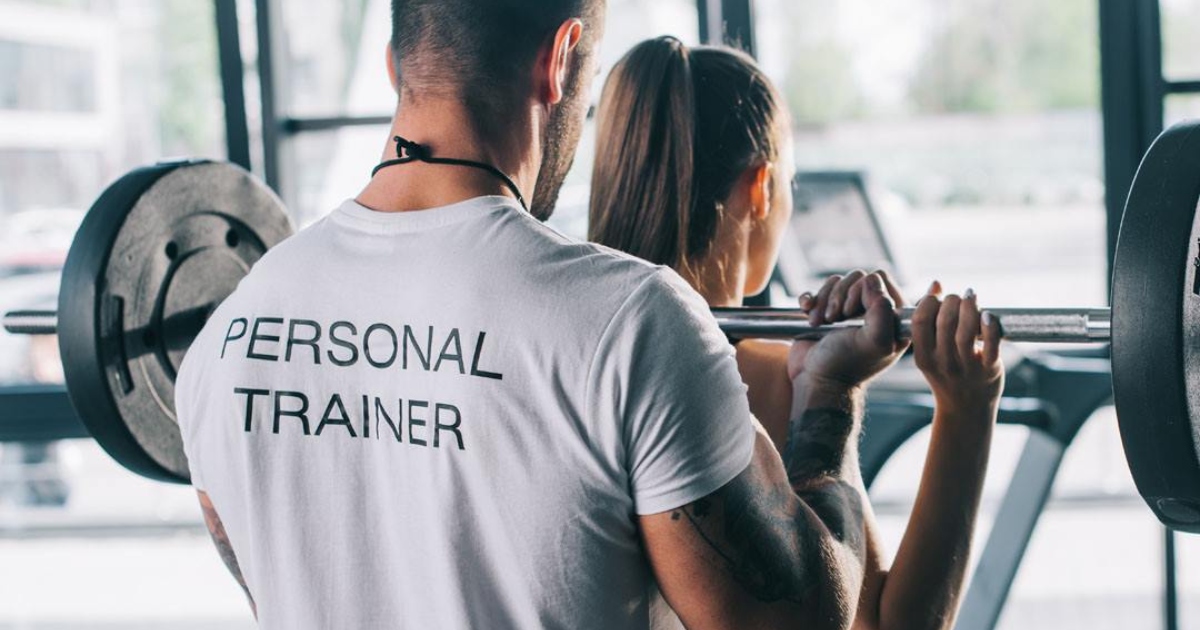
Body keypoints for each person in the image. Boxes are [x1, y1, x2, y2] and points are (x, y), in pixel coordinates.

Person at [177, 3, 967, 629]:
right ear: (558, 62)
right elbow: (798, 620)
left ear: (394, 67)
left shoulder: (223, 340)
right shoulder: (633, 323)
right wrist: (828, 401)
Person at [589, 36, 1004, 630]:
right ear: (761, 188)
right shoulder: (773, 380)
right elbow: (887, 624)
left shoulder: (566, 342)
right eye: (789, 183)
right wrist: (968, 405)